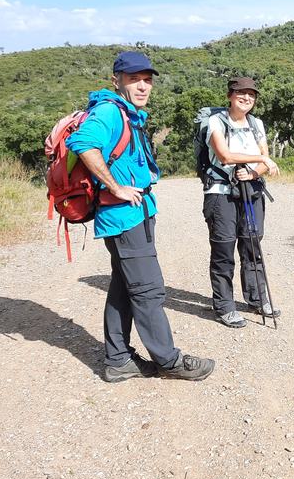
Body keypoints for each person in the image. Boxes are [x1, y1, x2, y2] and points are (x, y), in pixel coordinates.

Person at [67, 51, 214, 382]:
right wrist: (116, 187)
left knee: (124, 286)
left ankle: (118, 359)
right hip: (124, 216)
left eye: (147, 80)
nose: (143, 85)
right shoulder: (109, 112)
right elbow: (84, 143)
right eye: (135, 79)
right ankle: (169, 361)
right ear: (116, 80)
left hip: (135, 214)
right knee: (148, 290)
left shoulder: (127, 113)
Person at [202, 77, 280, 328]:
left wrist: (254, 172)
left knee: (252, 244)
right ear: (230, 95)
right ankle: (225, 306)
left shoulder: (256, 123)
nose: (246, 98)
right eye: (241, 93)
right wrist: (261, 160)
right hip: (220, 193)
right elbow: (224, 156)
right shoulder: (216, 121)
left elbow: (263, 159)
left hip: (251, 192)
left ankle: (257, 299)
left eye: (251, 94)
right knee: (224, 250)